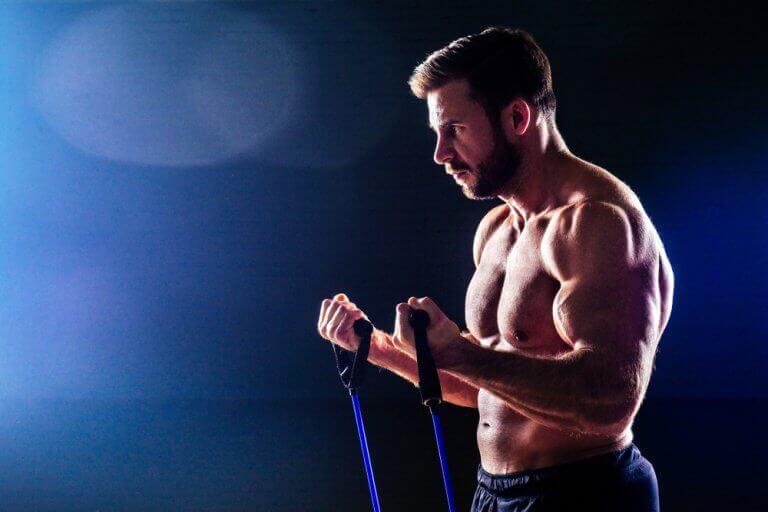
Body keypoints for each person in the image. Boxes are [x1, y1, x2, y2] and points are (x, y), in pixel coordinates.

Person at [317, 27, 673, 511]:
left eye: (455, 130)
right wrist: (376, 348)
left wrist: (462, 355)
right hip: (493, 492)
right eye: (437, 133)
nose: (440, 154)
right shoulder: (497, 230)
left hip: (585, 492)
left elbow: (610, 402)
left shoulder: (597, 223)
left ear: (517, 117)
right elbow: (490, 383)